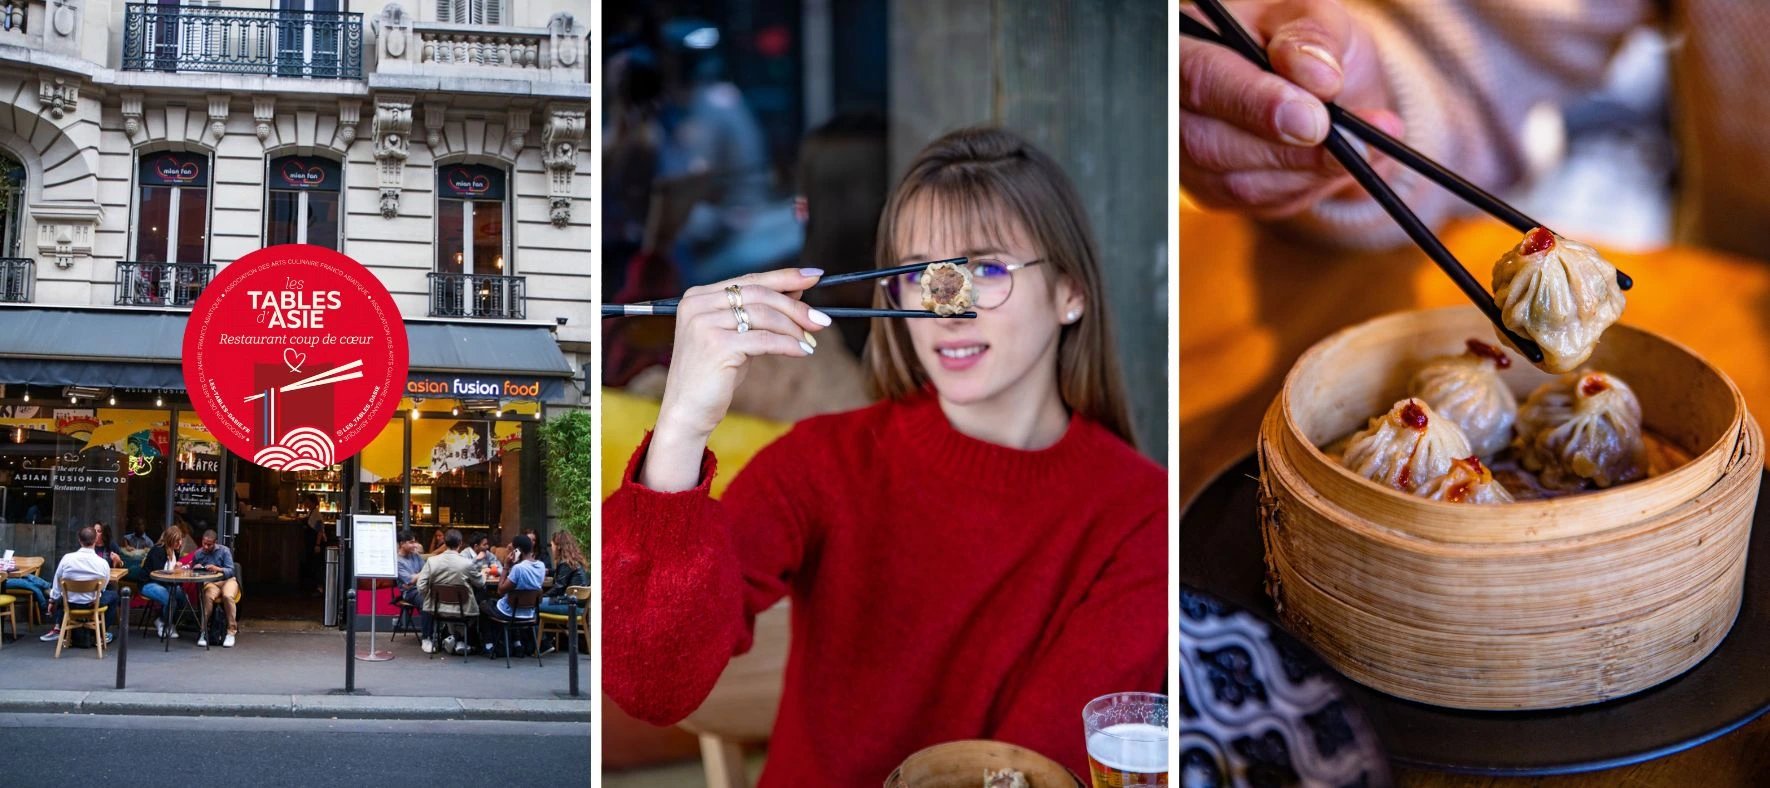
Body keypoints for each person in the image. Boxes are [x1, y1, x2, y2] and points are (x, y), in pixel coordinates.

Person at [601, 127, 1166, 782]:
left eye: (985, 270)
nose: (946, 310)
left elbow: (1035, 768)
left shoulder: (1139, 513)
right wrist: (681, 424)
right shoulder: (821, 462)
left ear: (1070, 291)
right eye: (920, 274)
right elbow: (650, 684)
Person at [39, 526, 118, 644]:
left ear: (79, 540)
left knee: (60, 596)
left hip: (70, 603)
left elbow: (57, 583)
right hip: (92, 604)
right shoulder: (103, 563)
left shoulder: (67, 559)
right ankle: (101, 634)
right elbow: (103, 587)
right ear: (95, 540)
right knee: (114, 596)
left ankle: (60, 628)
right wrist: (96, 595)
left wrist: (52, 601)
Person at [414, 529, 482, 656]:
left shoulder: (432, 561)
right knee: (480, 603)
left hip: (437, 608)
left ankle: (452, 638)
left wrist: (430, 596)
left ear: (444, 543)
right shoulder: (467, 563)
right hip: (463, 610)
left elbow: (421, 585)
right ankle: (461, 639)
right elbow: (480, 583)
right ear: (460, 543)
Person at [486, 534, 545, 657]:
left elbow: (501, 590)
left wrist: (506, 566)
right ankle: (517, 643)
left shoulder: (518, 568)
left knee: (484, 604)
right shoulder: (541, 566)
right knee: (509, 604)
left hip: (510, 613)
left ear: (517, 550)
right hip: (529, 613)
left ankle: (489, 645)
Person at [537, 531, 587, 655]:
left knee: (534, 604)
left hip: (570, 605)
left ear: (559, 546)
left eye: (552, 545)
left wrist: (541, 597)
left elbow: (558, 588)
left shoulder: (565, 563)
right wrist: (549, 571)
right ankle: (547, 640)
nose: (552, 548)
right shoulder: (572, 561)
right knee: (539, 602)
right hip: (578, 604)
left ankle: (543, 643)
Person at [190, 530, 238, 648]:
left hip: (227, 580)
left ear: (215, 542)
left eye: (209, 544)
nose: (206, 546)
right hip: (211, 583)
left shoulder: (224, 551)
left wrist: (218, 568)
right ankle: (203, 631)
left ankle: (231, 632)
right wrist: (195, 568)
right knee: (207, 596)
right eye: (204, 543)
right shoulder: (198, 554)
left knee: (227, 596)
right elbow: (192, 572)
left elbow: (231, 570)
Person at [140, 525, 187, 639]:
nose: (180, 543)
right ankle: (164, 624)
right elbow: (158, 575)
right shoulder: (158, 551)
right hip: (149, 583)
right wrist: (175, 571)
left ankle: (164, 620)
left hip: (166, 583)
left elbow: (171, 573)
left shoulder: (175, 552)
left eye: (180, 540)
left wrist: (177, 572)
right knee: (170, 599)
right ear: (170, 540)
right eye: (177, 541)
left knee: (183, 597)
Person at [300, 493, 327, 595]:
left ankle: (319, 588)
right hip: (312, 542)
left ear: (312, 502)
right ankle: (315, 587)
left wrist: (317, 545)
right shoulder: (311, 512)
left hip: (316, 542)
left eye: (307, 502)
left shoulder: (316, 514)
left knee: (317, 566)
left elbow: (320, 530)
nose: (306, 504)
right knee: (313, 565)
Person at [395, 529, 425, 609]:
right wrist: (423, 574)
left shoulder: (416, 555)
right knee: (426, 603)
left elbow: (426, 570)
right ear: (402, 544)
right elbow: (410, 580)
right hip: (409, 592)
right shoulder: (397, 561)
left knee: (437, 598)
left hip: (421, 588)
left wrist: (416, 578)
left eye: (415, 542)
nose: (415, 545)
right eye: (411, 542)